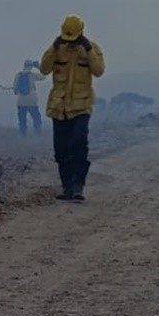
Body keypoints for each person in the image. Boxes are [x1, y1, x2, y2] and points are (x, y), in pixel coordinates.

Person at [40, 15, 105, 202]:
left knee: (78, 143)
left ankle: (78, 186)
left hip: (81, 106)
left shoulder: (91, 48)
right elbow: (44, 69)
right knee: (61, 148)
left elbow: (99, 70)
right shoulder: (56, 49)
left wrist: (88, 49)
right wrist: (54, 47)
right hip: (59, 107)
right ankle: (67, 186)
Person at [5, 59, 47, 137]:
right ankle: (38, 135)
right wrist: (38, 66)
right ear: (31, 66)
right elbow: (43, 76)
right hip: (32, 100)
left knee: (22, 120)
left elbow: (15, 90)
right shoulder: (32, 75)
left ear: (24, 65)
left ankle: (23, 136)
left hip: (21, 101)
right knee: (36, 118)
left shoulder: (18, 75)